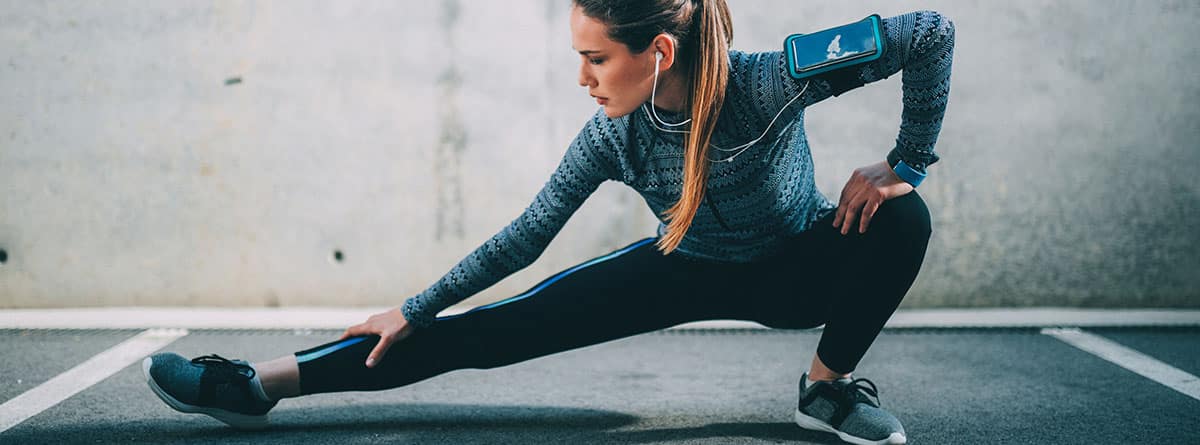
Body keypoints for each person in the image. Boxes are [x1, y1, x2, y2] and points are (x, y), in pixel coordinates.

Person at [142, 1, 954, 444]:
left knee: (902, 217)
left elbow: (931, 32)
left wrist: (906, 160)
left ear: (659, 53)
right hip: (680, 264)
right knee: (485, 332)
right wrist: (416, 307)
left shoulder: (774, 79)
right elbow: (526, 236)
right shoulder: (613, 133)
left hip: (796, 266)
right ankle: (257, 383)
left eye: (595, 58)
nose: (582, 78)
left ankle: (826, 387)